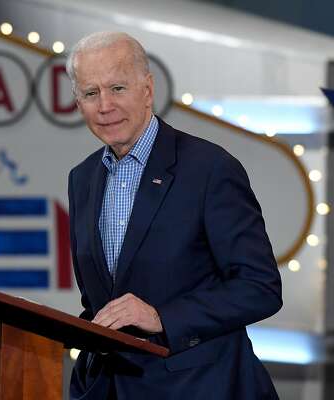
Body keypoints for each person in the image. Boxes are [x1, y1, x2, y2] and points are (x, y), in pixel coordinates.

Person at [66, 31, 282, 399]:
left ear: (147, 89)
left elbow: (259, 287)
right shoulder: (82, 178)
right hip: (109, 388)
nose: (104, 106)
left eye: (117, 88)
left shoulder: (210, 168)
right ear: (78, 102)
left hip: (199, 387)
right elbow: (97, 301)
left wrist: (162, 317)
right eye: (91, 93)